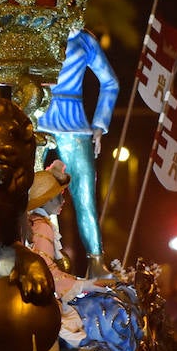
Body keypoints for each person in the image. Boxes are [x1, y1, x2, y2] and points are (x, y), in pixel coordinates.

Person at [34, 29, 119, 277]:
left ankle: (96, 260)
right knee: (28, 192)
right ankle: (36, 254)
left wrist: (100, 124)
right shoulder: (38, 28)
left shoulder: (85, 40)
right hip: (37, 118)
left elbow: (111, 81)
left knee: (85, 196)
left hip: (74, 123)